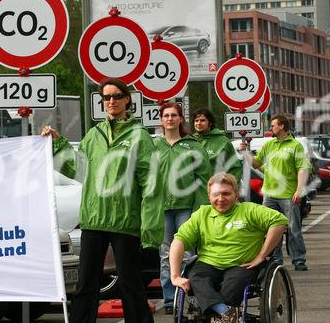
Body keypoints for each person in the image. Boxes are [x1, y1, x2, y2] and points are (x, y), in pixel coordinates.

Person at [41, 78, 163, 323]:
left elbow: (151, 183)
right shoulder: (93, 134)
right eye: (106, 97)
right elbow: (78, 169)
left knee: (131, 284)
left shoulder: (140, 136)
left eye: (116, 96)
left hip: (124, 220)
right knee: (87, 284)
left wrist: (150, 225)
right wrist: (58, 144)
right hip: (94, 219)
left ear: (127, 99)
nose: (111, 101)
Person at [170, 173, 288, 323]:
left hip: (241, 265)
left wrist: (262, 255)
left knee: (232, 285)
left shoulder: (249, 210)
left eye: (226, 194)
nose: (220, 199)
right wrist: (175, 276)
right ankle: (224, 312)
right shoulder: (201, 214)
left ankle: (218, 314)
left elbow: (279, 221)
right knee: (196, 277)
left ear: (236, 195)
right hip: (208, 263)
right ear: (209, 196)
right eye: (216, 194)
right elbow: (178, 241)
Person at [154, 102, 211, 315]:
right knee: (165, 255)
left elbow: (203, 178)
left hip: (186, 207)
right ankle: (170, 299)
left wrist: (200, 208)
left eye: (174, 115)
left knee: (188, 254)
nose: (170, 119)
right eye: (166, 115)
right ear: (161, 120)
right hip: (162, 209)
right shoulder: (153, 146)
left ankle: (191, 298)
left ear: (180, 119)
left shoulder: (193, 146)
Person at [239, 114, 310, 271]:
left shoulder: (295, 146)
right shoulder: (269, 145)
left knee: (293, 228)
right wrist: (246, 153)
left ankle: (299, 259)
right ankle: (276, 259)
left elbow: (302, 168)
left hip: (288, 194)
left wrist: (299, 190)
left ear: (282, 126)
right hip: (269, 195)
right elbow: (257, 164)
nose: (270, 128)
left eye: (272, 125)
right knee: (271, 228)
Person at [192, 108, 242, 181]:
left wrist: (229, 186)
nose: (198, 123)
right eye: (196, 121)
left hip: (217, 189)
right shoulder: (190, 141)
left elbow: (234, 168)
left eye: (202, 120)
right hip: (195, 190)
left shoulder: (223, 142)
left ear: (210, 123)